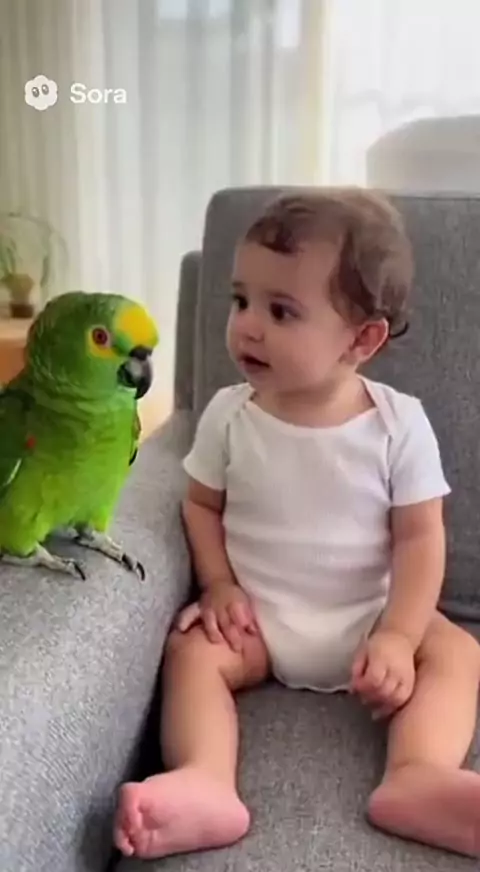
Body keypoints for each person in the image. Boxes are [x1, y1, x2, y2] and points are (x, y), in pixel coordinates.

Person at [114, 188, 480, 861]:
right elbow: (201, 505)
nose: (248, 327)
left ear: (362, 340)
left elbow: (421, 537)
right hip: (259, 624)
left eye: (281, 310)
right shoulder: (229, 415)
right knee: (192, 653)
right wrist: (219, 586)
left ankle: (418, 774)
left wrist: (400, 636)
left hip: (370, 619)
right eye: (240, 300)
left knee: (457, 653)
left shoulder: (399, 424)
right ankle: (206, 779)